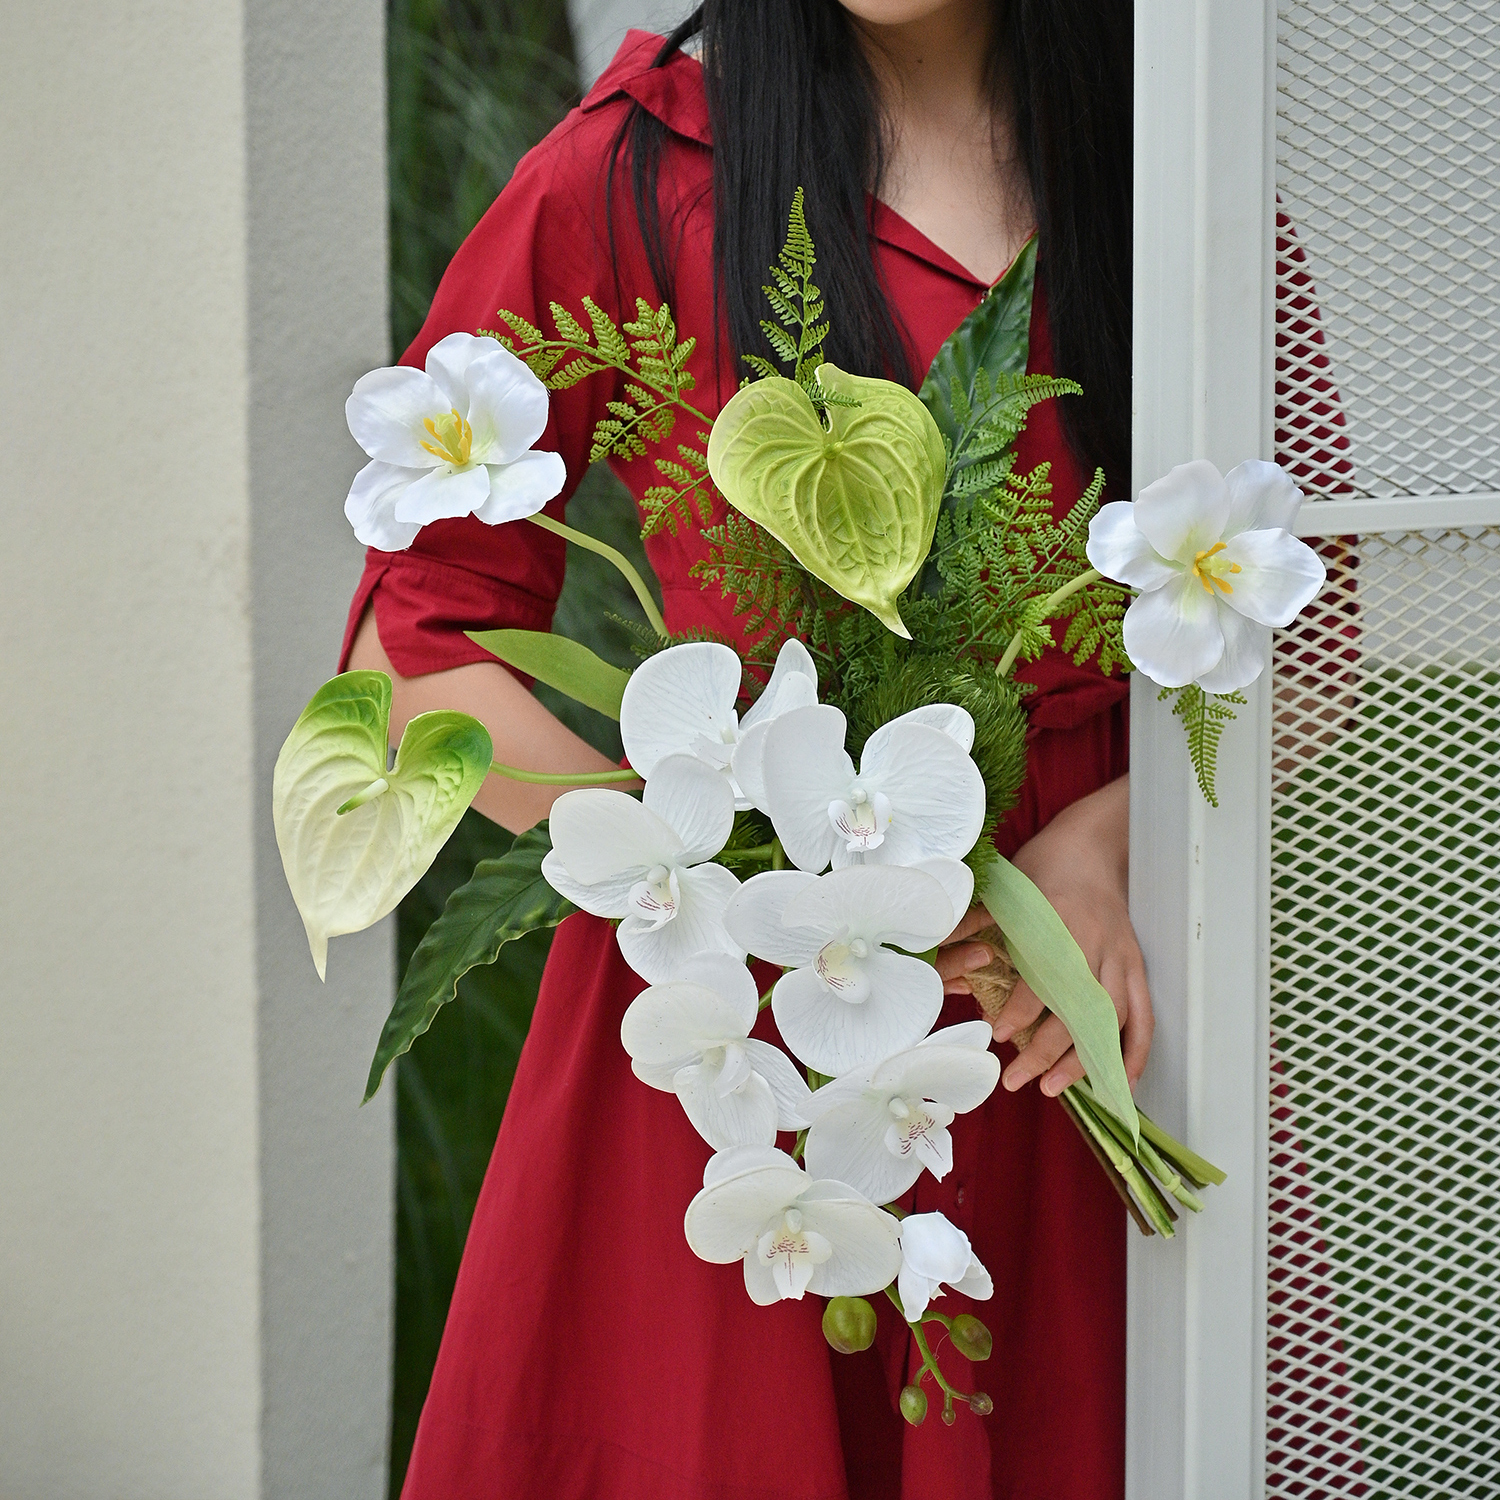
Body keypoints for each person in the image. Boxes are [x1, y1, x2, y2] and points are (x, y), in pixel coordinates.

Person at [344, 4, 1150, 1495]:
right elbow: (422, 641)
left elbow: (1310, 599)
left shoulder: (1183, 172)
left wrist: (1098, 853)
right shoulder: (634, 175)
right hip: (745, 1054)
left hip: (1089, 1019)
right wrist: (709, 866)